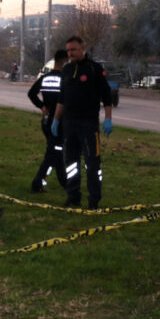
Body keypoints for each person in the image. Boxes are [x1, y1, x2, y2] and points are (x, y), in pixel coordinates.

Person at [51, 36, 113, 209]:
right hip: (69, 124)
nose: (70, 53)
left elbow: (107, 96)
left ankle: (94, 200)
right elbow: (61, 99)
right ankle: (73, 196)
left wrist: (108, 119)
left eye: (74, 49)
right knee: (70, 162)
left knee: (92, 163)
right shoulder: (67, 70)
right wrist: (56, 120)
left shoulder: (94, 69)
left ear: (83, 48)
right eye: (68, 50)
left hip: (88, 124)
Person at [27, 49, 68, 192]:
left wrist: (41, 106)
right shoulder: (65, 79)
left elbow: (31, 93)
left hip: (46, 120)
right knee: (53, 153)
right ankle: (37, 183)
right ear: (64, 62)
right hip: (59, 121)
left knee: (56, 150)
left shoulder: (45, 78)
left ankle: (64, 182)